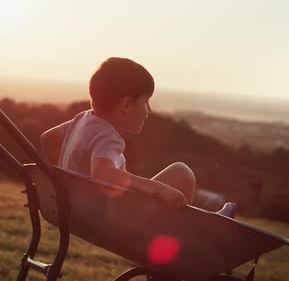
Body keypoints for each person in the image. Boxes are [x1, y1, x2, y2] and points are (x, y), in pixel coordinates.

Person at [40, 57, 196, 207]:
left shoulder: (83, 120)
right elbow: (102, 173)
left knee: (179, 174)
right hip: (108, 218)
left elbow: (47, 139)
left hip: (78, 211)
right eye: (146, 101)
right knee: (182, 173)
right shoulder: (107, 136)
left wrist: (57, 183)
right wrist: (158, 188)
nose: (149, 110)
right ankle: (183, 228)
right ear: (126, 105)